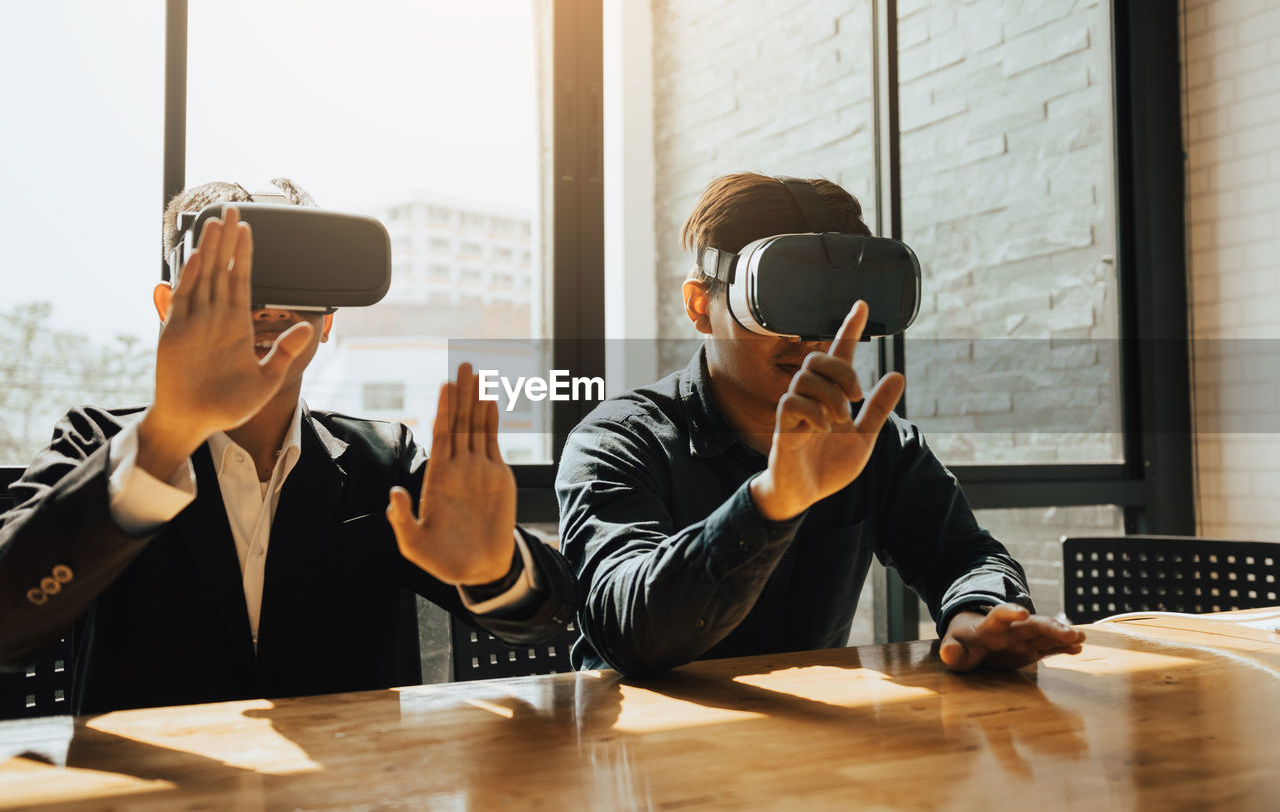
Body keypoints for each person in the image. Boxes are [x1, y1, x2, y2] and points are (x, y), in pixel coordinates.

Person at [0, 180, 575, 714]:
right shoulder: (100, 444)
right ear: (169, 307)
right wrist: (167, 436)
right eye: (230, 278)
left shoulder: (382, 461)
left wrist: (495, 567)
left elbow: (552, 617)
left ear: (329, 320)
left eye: (295, 274)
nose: (268, 305)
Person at [556, 172, 1084, 676]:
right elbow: (629, 630)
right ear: (700, 306)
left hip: (812, 747)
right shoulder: (616, 443)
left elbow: (965, 554)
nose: (810, 339)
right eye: (779, 303)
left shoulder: (870, 443)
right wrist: (773, 500)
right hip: (639, 749)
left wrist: (976, 613)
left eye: (829, 307)